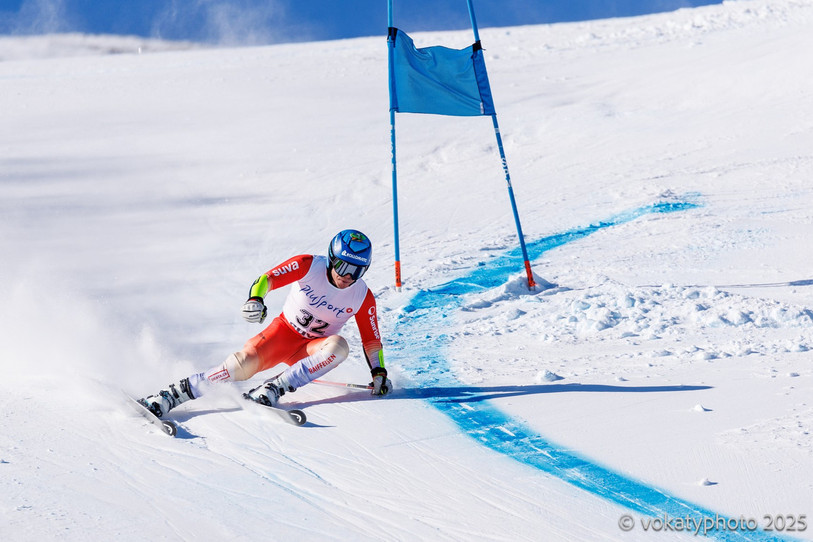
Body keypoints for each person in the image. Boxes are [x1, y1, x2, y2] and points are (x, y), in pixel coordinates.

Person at [140, 229, 391, 418]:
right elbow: (267, 279)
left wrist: (379, 372)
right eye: (343, 266)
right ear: (331, 259)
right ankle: (170, 397)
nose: (348, 276)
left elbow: (371, 340)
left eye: (357, 271)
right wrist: (256, 298)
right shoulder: (308, 265)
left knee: (339, 347)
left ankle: (274, 388)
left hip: (309, 352)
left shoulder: (362, 297)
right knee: (240, 366)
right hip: (282, 336)